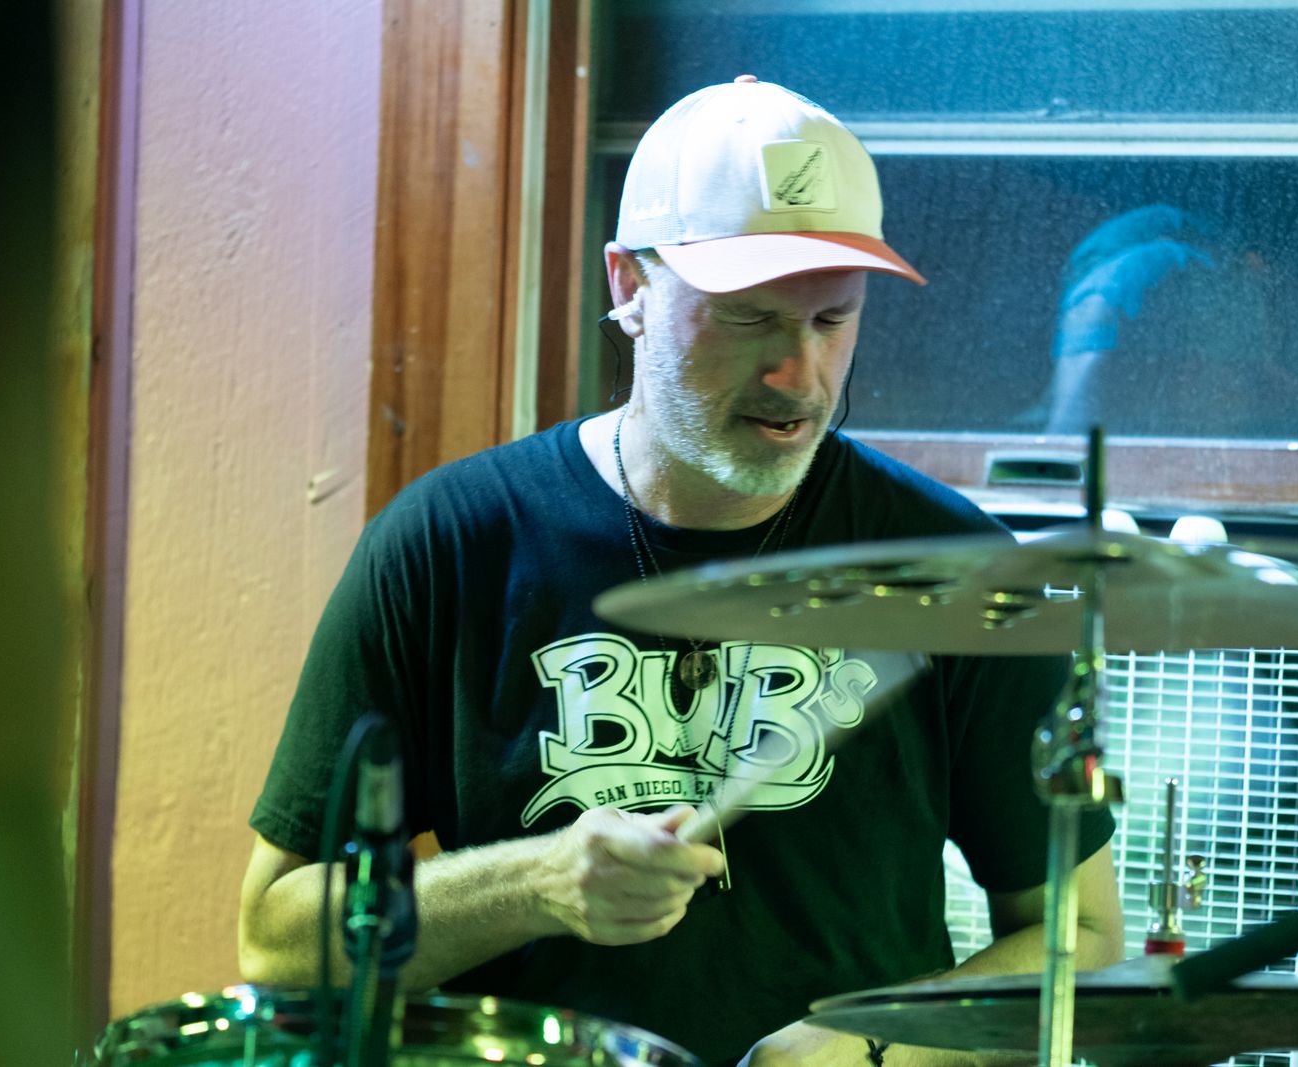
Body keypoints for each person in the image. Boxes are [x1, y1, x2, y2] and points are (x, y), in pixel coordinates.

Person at [239, 76, 1123, 1067]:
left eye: (831, 319)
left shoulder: (954, 570)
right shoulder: (448, 542)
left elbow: (1082, 936)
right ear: (630, 286)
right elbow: (276, 941)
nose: (798, 374)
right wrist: (534, 882)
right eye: (748, 317)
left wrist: (881, 1043)